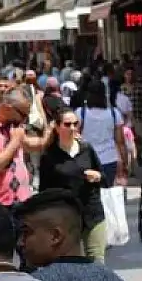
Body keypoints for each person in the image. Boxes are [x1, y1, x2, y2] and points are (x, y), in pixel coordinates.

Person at [37, 108, 107, 263]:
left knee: (97, 263)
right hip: (66, 219)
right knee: (72, 264)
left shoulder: (86, 149)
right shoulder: (49, 156)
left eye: (76, 124)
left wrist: (97, 176)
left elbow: (104, 178)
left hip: (92, 215)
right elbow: (45, 192)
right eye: (67, 124)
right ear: (57, 127)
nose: (73, 128)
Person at [76, 80, 129, 187]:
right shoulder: (114, 114)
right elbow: (120, 142)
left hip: (87, 159)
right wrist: (125, 163)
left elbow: (75, 137)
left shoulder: (80, 113)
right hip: (109, 159)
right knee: (107, 192)